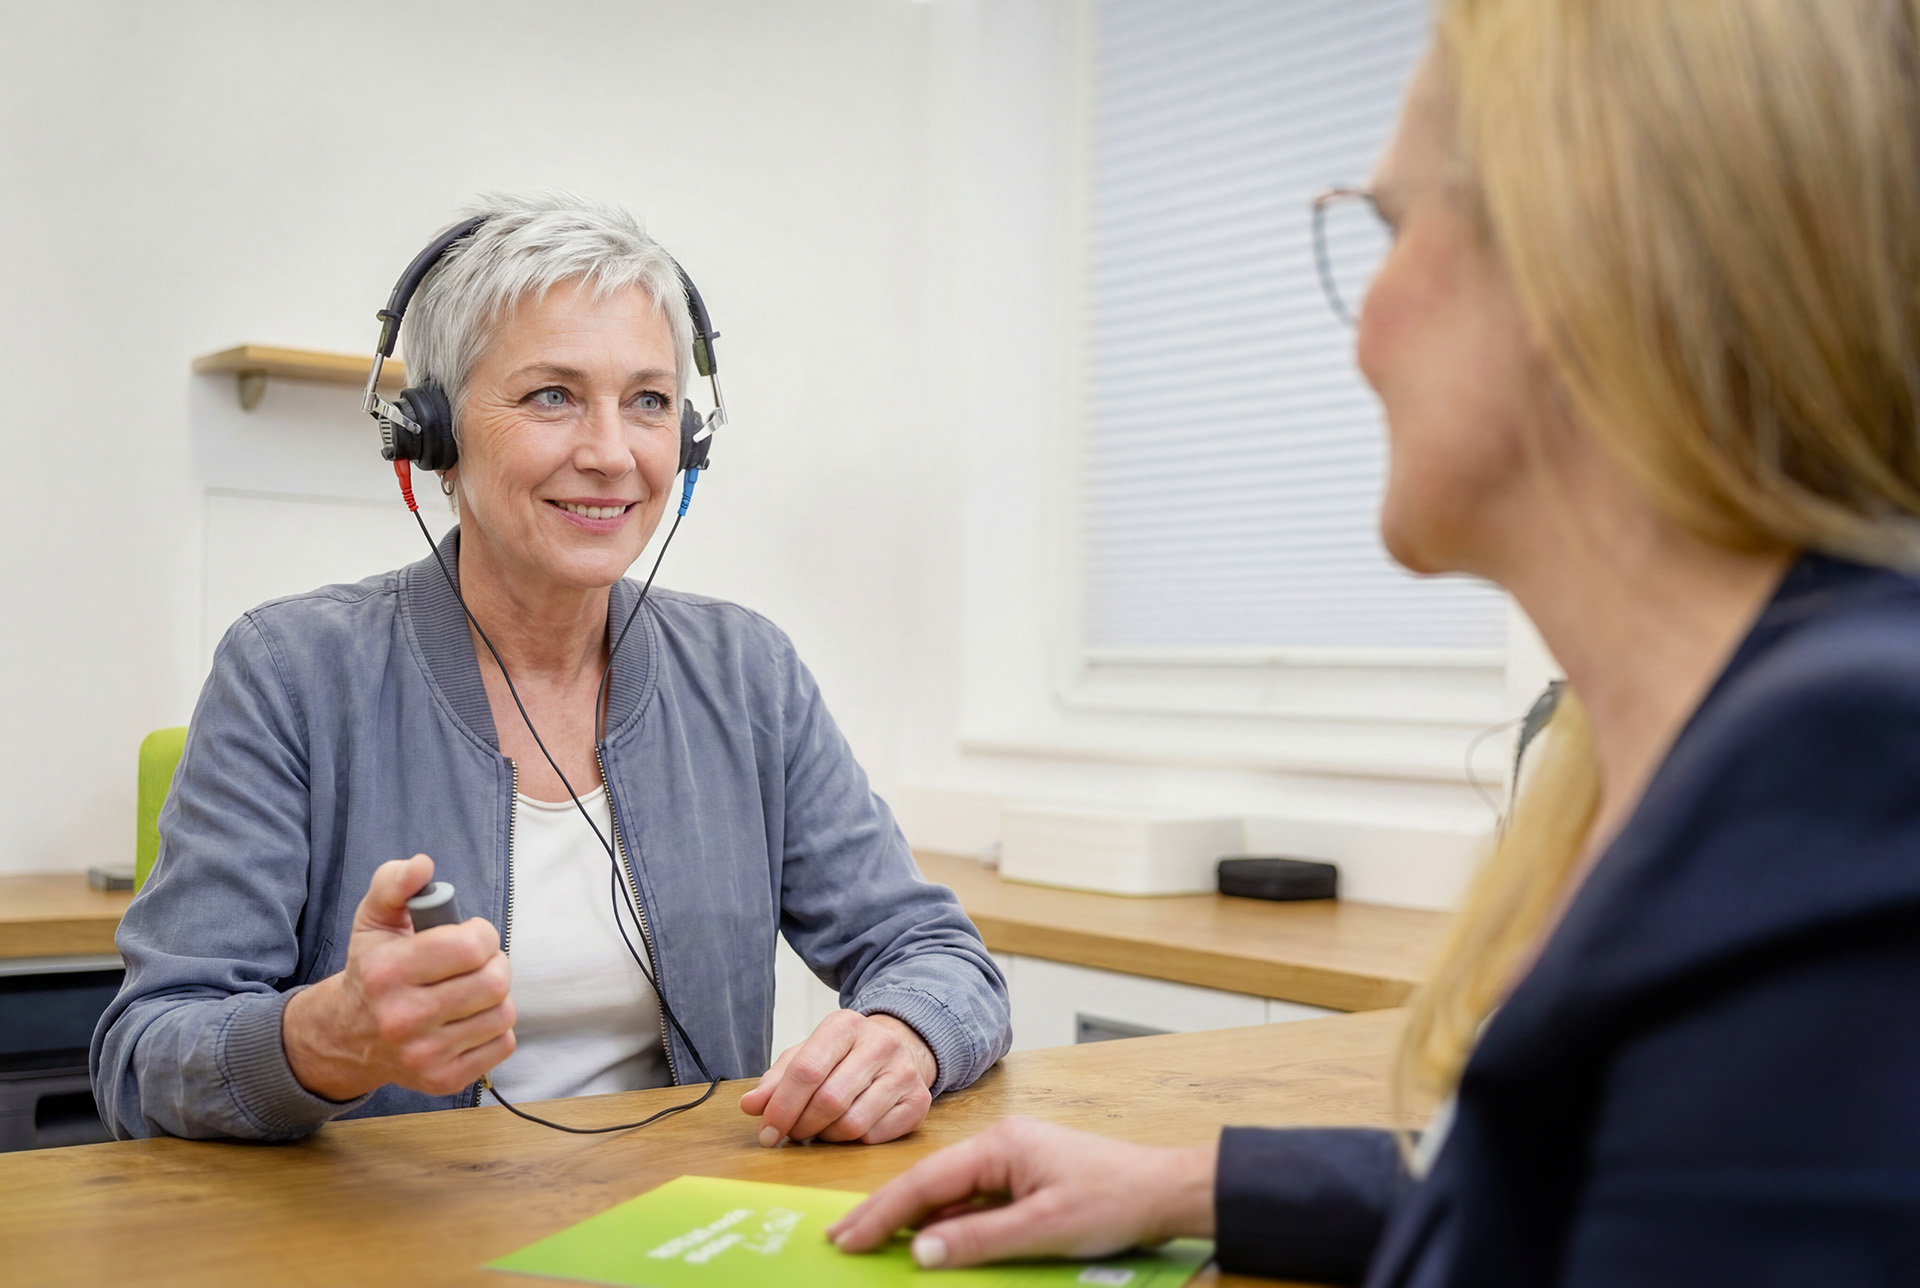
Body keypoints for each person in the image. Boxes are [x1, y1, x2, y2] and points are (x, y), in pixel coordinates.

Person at [829, 1, 1920, 1282]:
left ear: (1586, 261)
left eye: (1395, 227)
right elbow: (1585, 1167)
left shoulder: (1846, 775)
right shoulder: (1695, 755)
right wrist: (1189, 1180)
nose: (1361, 336)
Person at [92, 194, 1010, 1145]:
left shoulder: (748, 673)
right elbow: (144, 1056)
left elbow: (936, 952)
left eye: (649, 402)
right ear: (434, 438)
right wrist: (323, 1041)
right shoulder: (290, 673)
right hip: (392, 1235)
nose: (611, 453)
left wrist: (907, 1035)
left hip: (679, 1224)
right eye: (551, 396)